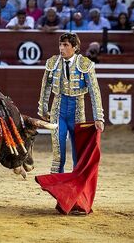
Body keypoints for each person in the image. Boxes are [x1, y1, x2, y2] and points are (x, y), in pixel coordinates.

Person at [38, 32, 104, 174]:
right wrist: (43, 109)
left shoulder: (85, 64)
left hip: (77, 110)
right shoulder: (52, 62)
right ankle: (58, 188)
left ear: (75, 47)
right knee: (58, 153)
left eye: (65, 45)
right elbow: (46, 86)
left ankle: (76, 187)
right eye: (60, 45)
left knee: (78, 152)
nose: (61, 48)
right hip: (58, 108)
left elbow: (94, 91)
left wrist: (98, 117)